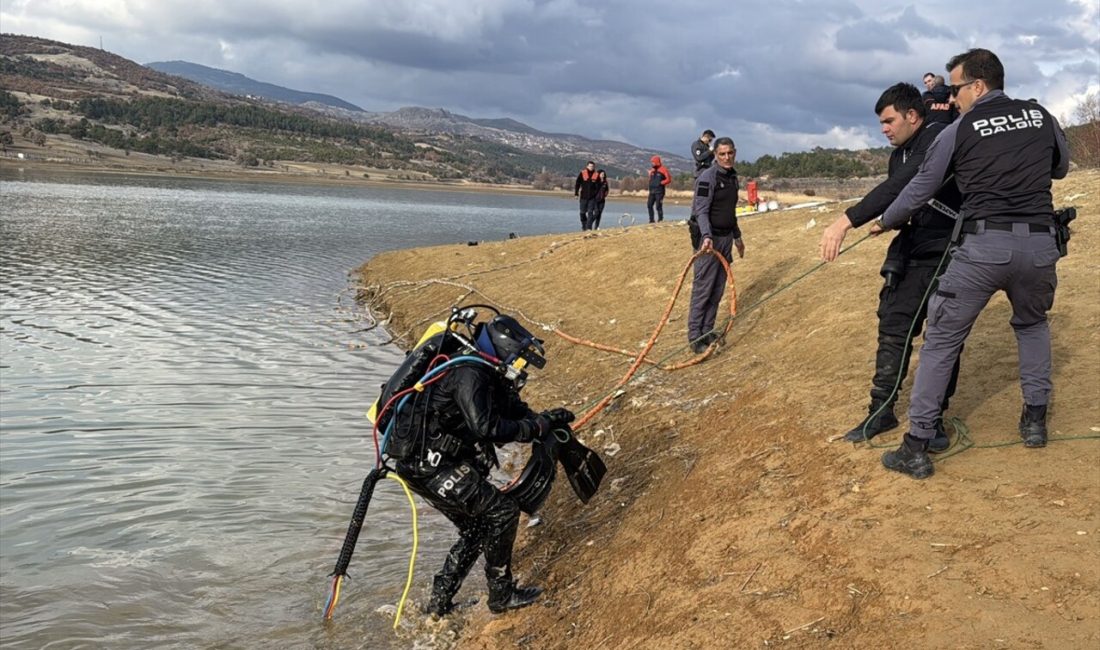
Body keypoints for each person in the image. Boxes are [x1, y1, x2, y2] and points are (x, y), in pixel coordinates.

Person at [872, 48, 1070, 479]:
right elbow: (1061, 169)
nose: (949, 97)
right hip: (1039, 247)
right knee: (1033, 325)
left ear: (978, 86)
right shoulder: (1042, 117)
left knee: (941, 340)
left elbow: (920, 188)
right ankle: (1034, 422)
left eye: (955, 88)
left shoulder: (959, 129)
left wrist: (885, 222)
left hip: (983, 248)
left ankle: (917, 445)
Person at [388, 314, 576, 614]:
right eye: (518, 359)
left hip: (431, 463)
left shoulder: (487, 372)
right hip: (429, 465)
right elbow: (487, 427)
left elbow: (513, 410)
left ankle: (437, 606)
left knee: (478, 527)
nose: (520, 366)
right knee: (502, 513)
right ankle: (501, 594)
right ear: (503, 349)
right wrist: (534, 428)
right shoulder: (469, 373)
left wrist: (544, 420)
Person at [819, 82, 963, 450]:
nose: (884, 129)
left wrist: (844, 222)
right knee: (894, 324)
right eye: (881, 123)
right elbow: (899, 194)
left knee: (942, 336)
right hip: (912, 247)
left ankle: (934, 419)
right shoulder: (897, 153)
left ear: (912, 116)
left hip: (949, 248)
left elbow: (904, 184)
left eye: (889, 121)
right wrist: (888, 222)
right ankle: (881, 409)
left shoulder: (938, 138)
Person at [687, 137, 744, 354]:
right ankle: (695, 337)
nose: (726, 157)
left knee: (717, 289)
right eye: (722, 154)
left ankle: (707, 330)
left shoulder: (733, 177)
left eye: (730, 153)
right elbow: (701, 210)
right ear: (716, 155)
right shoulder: (706, 177)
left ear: (735, 153)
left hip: (726, 239)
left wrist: (737, 237)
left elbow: (730, 212)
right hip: (707, 241)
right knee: (703, 289)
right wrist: (707, 236)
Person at [574, 161, 601, 230]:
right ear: (587, 166)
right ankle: (584, 225)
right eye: (590, 166)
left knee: (590, 213)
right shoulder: (582, 173)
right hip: (583, 197)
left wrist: (596, 194)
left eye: (592, 166)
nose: (591, 167)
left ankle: (589, 228)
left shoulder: (596, 175)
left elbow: (599, 186)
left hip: (592, 198)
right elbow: (577, 184)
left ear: (594, 167)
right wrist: (576, 193)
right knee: (582, 212)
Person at [647, 155, 672, 223]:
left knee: (658, 206)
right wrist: (650, 175)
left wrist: (661, 183)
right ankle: (651, 220)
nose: (652, 163)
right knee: (649, 205)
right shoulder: (652, 170)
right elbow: (651, 179)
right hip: (652, 191)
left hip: (659, 191)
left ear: (656, 162)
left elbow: (669, 179)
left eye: (653, 162)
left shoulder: (663, 170)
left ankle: (660, 219)